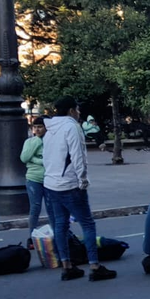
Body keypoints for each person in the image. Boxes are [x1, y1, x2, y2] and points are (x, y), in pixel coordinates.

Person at [44, 97, 115, 281]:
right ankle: (94, 265)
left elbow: (47, 157)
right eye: (77, 109)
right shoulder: (72, 127)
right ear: (70, 111)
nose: (79, 112)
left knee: (60, 224)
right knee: (87, 224)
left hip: (52, 183)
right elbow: (78, 156)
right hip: (70, 183)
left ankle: (67, 266)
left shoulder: (49, 129)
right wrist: (82, 180)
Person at [20, 118, 55, 249]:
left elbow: (50, 159)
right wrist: (36, 143)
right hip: (33, 179)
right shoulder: (30, 142)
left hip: (49, 178)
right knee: (35, 208)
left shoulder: (50, 142)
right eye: (35, 127)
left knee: (51, 207)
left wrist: (35, 159)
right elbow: (24, 158)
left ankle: (55, 234)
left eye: (40, 127)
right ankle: (32, 237)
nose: (38, 129)